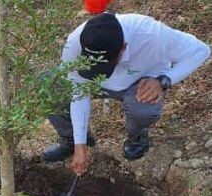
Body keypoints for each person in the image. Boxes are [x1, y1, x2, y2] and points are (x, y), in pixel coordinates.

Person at [43, 12, 211, 175]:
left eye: (105, 64)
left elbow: (200, 50)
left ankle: (137, 137)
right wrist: (80, 143)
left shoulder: (152, 35)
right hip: (96, 85)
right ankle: (70, 139)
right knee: (49, 85)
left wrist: (163, 80)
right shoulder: (74, 44)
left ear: (123, 48)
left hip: (139, 84)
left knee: (143, 111)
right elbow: (79, 93)